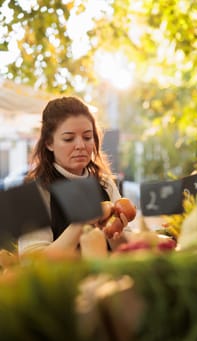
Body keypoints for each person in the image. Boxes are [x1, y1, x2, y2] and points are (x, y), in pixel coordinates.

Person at [18, 96, 130, 256]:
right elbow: (32, 261)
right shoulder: (34, 192)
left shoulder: (105, 183)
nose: (81, 146)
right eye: (69, 138)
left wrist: (114, 232)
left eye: (87, 137)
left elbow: (125, 251)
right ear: (49, 143)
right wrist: (80, 224)